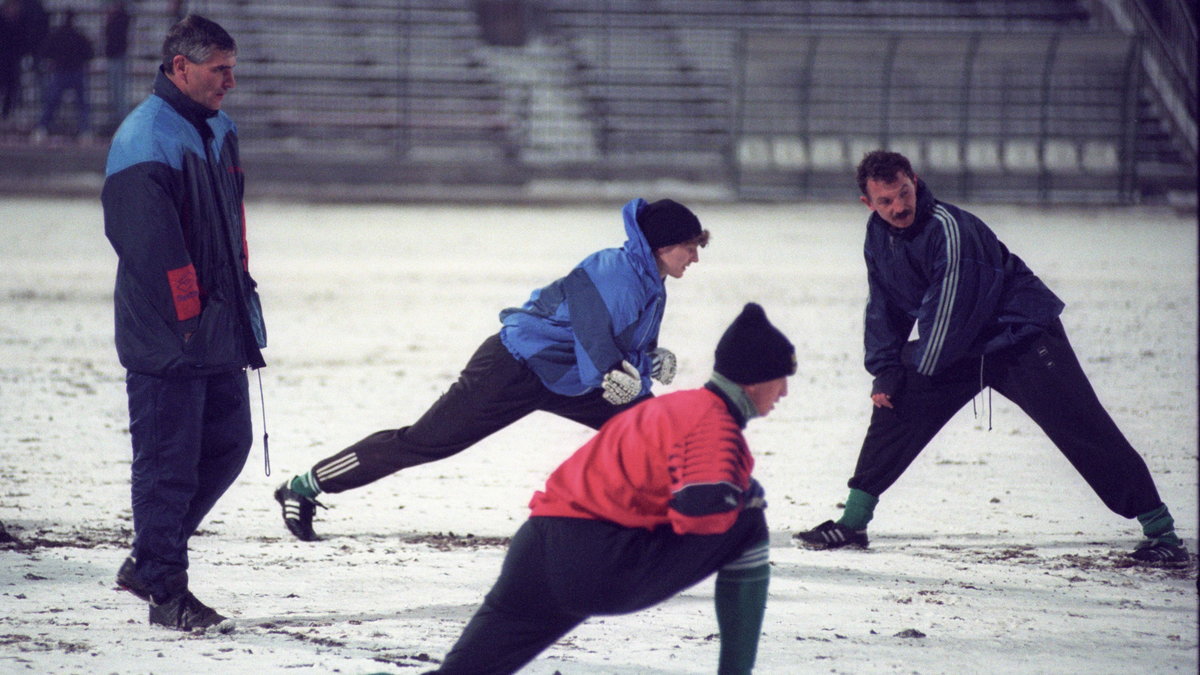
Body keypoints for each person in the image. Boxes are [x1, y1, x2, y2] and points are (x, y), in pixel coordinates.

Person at [793, 150, 1189, 567]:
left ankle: (1163, 533)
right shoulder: (878, 235)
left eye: (904, 193)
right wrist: (886, 371)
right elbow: (883, 307)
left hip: (1022, 338)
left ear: (915, 180)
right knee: (894, 400)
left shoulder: (949, 229)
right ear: (868, 204)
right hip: (962, 346)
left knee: (1083, 428)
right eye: (886, 201)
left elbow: (948, 313)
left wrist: (907, 367)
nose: (898, 207)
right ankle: (852, 522)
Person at [274, 198, 710, 541]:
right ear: (662, 246)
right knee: (425, 442)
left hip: (573, 376)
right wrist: (613, 369)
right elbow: (592, 332)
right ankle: (304, 485)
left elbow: (622, 341)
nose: (694, 257)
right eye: (690, 247)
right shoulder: (613, 269)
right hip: (514, 366)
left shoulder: (652, 282)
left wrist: (649, 358)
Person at [429, 302, 796, 675]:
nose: (783, 392)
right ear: (753, 379)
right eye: (782, 378)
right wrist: (738, 498)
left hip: (536, 546)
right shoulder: (712, 423)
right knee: (748, 518)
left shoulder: (672, 407)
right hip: (596, 564)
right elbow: (702, 512)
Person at [102, 14, 267, 631]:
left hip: (217, 326)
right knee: (168, 465)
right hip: (170, 335)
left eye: (232, 67)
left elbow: (233, 229)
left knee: (229, 445)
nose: (230, 80)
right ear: (181, 68)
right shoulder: (144, 138)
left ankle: (150, 560)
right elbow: (152, 250)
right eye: (219, 69)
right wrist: (191, 320)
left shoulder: (220, 129)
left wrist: (239, 299)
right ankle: (166, 592)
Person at [31, 7, 92, 142]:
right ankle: (85, 131)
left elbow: (45, 51)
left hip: (61, 72)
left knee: (52, 102)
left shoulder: (57, 35)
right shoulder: (79, 36)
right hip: (76, 72)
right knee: (82, 104)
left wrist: (53, 61)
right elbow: (89, 53)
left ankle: (42, 128)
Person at [103, 0, 131, 130]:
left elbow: (113, 37)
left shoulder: (121, 18)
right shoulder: (117, 18)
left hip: (117, 56)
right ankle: (116, 118)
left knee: (118, 89)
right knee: (114, 89)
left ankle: (121, 118)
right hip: (114, 56)